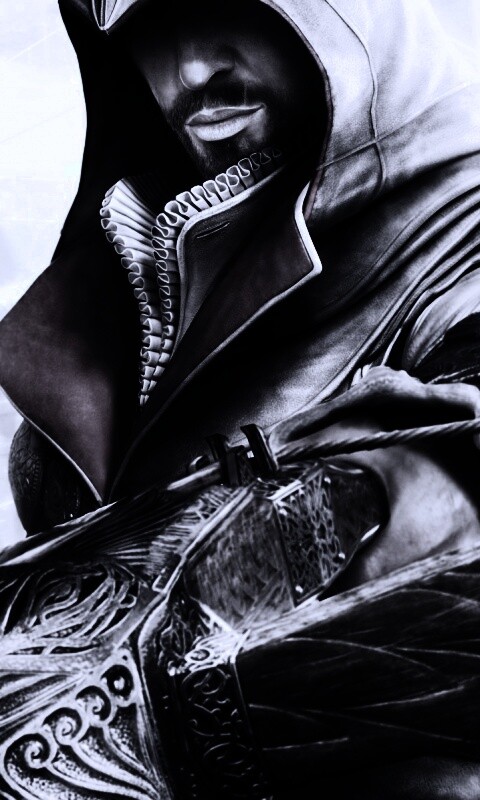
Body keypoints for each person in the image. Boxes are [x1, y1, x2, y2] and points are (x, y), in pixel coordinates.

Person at [1, 0, 480, 797]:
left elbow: (435, 510)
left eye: (223, 3)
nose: (191, 69)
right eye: (146, 28)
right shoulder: (119, 298)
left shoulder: (462, 233)